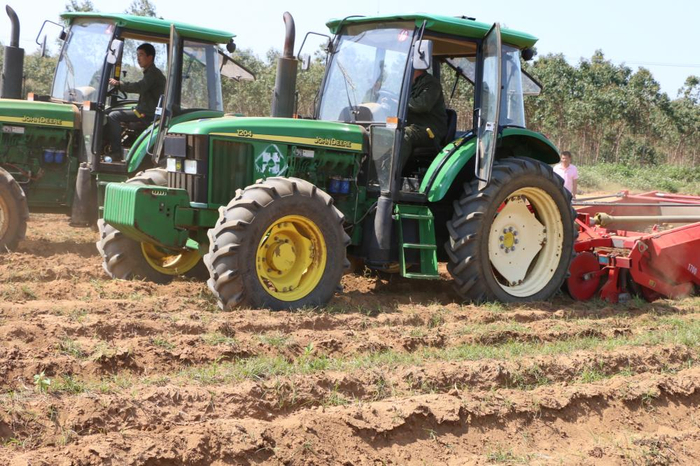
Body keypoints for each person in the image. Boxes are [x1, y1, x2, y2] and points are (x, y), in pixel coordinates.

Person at [105, 43, 166, 160]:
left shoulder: (153, 74)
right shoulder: (150, 73)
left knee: (113, 116)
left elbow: (139, 87)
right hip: (144, 111)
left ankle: (116, 152)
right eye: (137, 55)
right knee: (110, 112)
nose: (138, 58)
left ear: (150, 57)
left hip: (148, 114)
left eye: (141, 55)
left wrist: (119, 84)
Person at [398, 68, 448, 173]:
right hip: (414, 127)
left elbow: (422, 105)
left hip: (429, 130)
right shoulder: (407, 83)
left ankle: (389, 175)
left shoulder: (431, 83)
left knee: (404, 135)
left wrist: (399, 101)